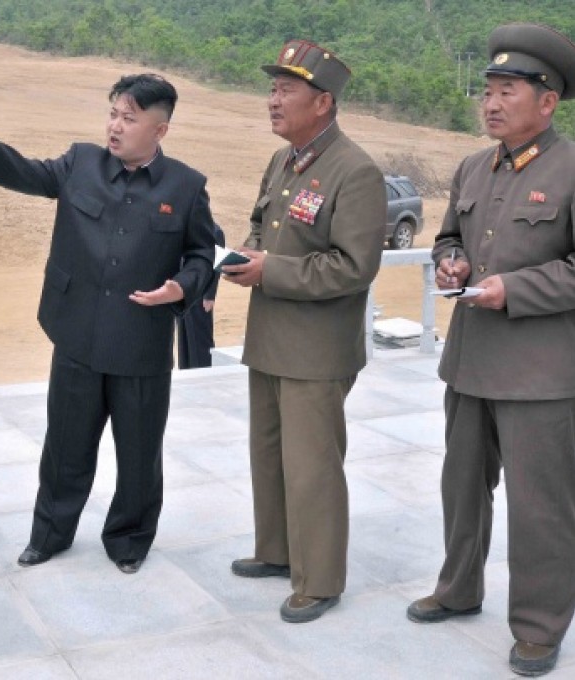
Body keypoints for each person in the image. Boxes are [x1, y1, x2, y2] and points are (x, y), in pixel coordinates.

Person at [0, 73, 216, 574]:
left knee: (138, 454)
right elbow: (28, 173)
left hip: (140, 344)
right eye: (113, 113)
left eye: (129, 119)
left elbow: (203, 252)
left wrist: (181, 288)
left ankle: (128, 540)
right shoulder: (81, 162)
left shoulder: (187, 186)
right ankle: (49, 535)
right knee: (65, 446)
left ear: (160, 130)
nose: (115, 126)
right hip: (78, 336)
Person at [406, 23, 575, 677]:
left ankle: (539, 624)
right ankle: (458, 589)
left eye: (508, 91)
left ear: (548, 102)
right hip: (471, 360)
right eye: (488, 91)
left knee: (542, 505)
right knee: (462, 489)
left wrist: (517, 287)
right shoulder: (474, 167)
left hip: (541, 373)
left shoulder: (569, 169)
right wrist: (452, 263)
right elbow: (450, 237)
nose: (493, 103)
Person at [222, 40, 386, 623]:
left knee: (313, 466)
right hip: (269, 337)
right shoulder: (284, 162)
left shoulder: (356, 170)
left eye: (286, 90)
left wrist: (271, 269)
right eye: (272, 88)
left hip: (317, 350)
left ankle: (319, 580)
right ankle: (276, 552)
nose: (273, 100)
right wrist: (246, 254)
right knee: (268, 455)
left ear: (323, 103)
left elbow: (354, 266)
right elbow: (262, 226)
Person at [176, 222, 225, 369]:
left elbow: (218, 265)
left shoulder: (215, 231)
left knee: (200, 339)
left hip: (202, 294)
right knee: (184, 338)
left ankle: (203, 372)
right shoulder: (188, 230)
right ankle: (186, 371)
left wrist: (210, 296)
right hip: (184, 292)